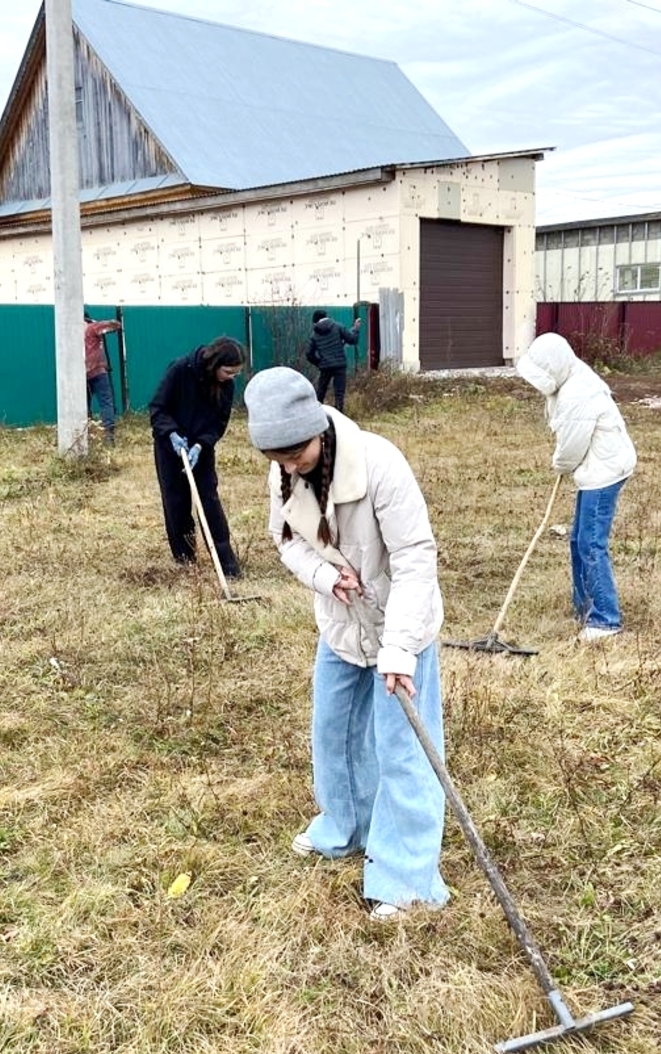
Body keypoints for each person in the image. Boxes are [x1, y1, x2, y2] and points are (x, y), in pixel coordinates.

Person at [244, 366, 448, 920]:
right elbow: (284, 542)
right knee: (332, 733)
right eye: (277, 458)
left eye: (297, 453)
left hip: (398, 625)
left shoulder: (380, 464)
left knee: (402, 748)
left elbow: (414, 558)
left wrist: (401, 648)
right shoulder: (283, 472)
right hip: (340, 627)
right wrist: (326, 578)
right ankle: (346, 827)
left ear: (318, 429)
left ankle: (407, 878)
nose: (289, 465)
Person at [515, 333, 637, 642]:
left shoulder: (577, 393)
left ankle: (605, 619)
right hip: (596, 468)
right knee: (578, 540)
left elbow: (571, 447)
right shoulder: (570, 379)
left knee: (591, 543)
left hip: (605, 472)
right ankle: (584, 605)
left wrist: (560, 464)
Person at [148, 336, 246, 576]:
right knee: (176, 501)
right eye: (229, 371)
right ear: (215, 364)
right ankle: (184, 558)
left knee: (209, 500)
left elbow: (219, 422)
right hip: (169, 447)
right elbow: (158, 407)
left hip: (200, 450)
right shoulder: (181, 369)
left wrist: (202, 445)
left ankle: (226, 563)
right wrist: (171, 433)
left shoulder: (227, 386)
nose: (232, 377)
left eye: (236, 373)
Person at [304, 309, 362, 411]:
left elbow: (309, 354)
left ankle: (317, 413)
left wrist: (319, 362)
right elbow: (352, 339)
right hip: (339, 365)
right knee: (339, 393)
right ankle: (339, 415)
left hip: (325, 366)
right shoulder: (338, 326)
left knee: (321, 392)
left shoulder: (314, 335)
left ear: (315, 321)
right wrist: (356, 328)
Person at [84, 314, 123, 446]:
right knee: (106, 403)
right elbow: (116, 324)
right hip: (98, 372)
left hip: (82, 376)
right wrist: (95, 322)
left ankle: (85, 436)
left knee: (84, 407)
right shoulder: (92, 327)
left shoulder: (72, 333)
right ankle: (109, 436)